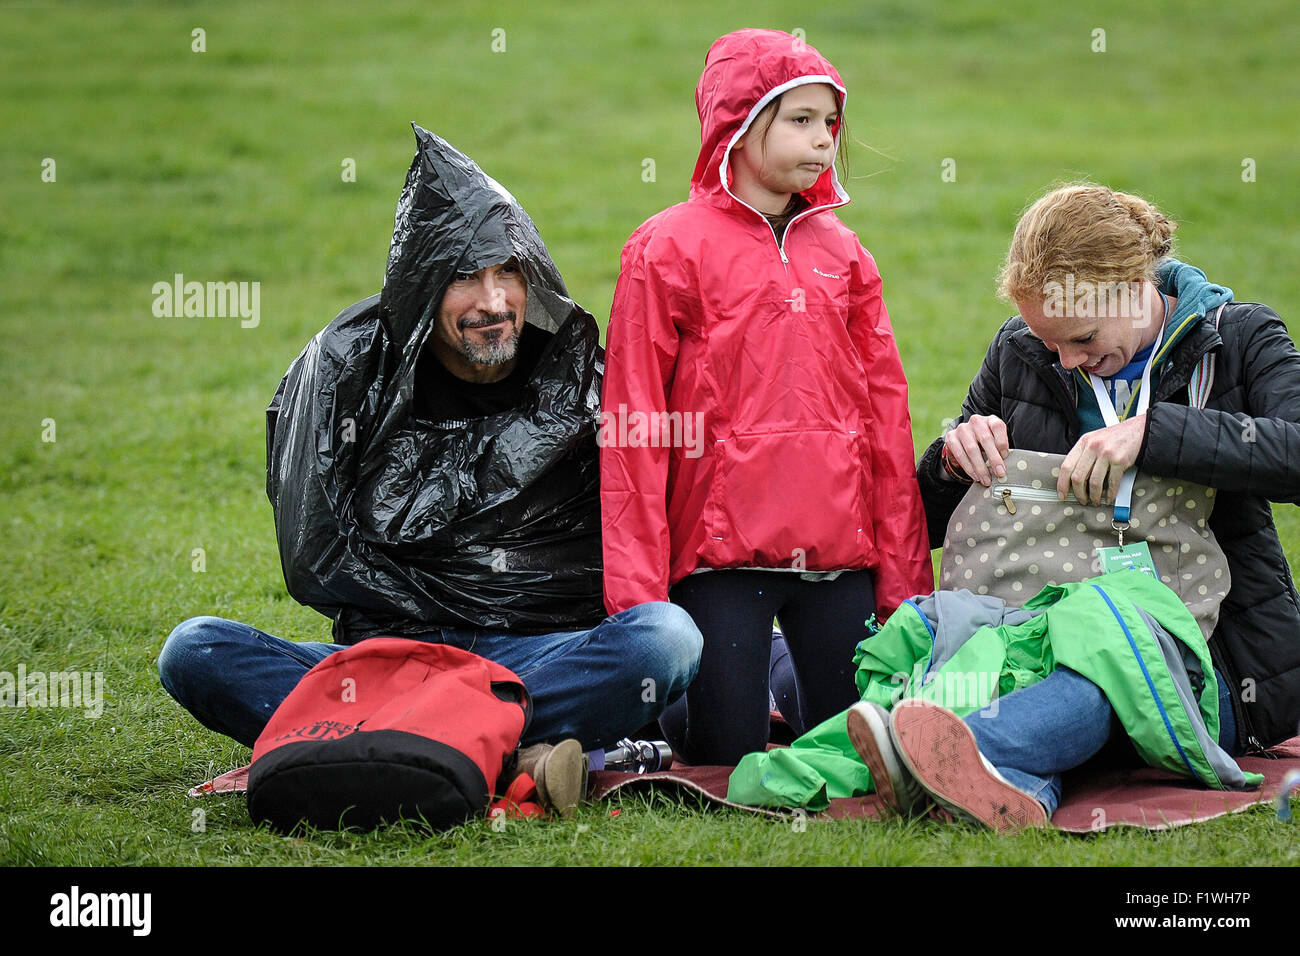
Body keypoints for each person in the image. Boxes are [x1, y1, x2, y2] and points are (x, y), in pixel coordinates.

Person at [158, 128, 703, 802]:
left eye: (508, 272)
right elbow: (314, 559)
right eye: (464, 278)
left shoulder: (578, 375)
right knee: (195, 649)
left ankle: (388, 743)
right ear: (420, 285)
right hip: (392, 660)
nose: (494, 301)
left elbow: (646, 519)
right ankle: (511, 746)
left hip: (536, 652)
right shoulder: (343, 370)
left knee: (665, 642)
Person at [853, 182, 1300, 829]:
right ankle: (1005, 784)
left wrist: (1156, 434)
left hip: (1217, 661)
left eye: (1082, 339)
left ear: (1132, 285)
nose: (1065, 361)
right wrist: (955, 458)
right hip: (1034, 633)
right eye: (1051, 342)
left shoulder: (1239, 340)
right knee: (988, 659)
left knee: (1098, 678)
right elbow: (919, 518)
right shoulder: (1022, 350)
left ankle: (940, 751)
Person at [600, 30, 933, 766]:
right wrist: (640, 603)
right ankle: (734, 678)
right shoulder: (665, 247)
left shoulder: (847, 254)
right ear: (739, 123)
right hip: (720, 564)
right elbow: (632, 425)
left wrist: (904, 587)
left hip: (837, 564)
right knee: (725, 754)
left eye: (831, 123)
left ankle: (773, 666)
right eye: (801, 120)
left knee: (855, 753)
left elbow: (886, 420)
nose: (824, 141)